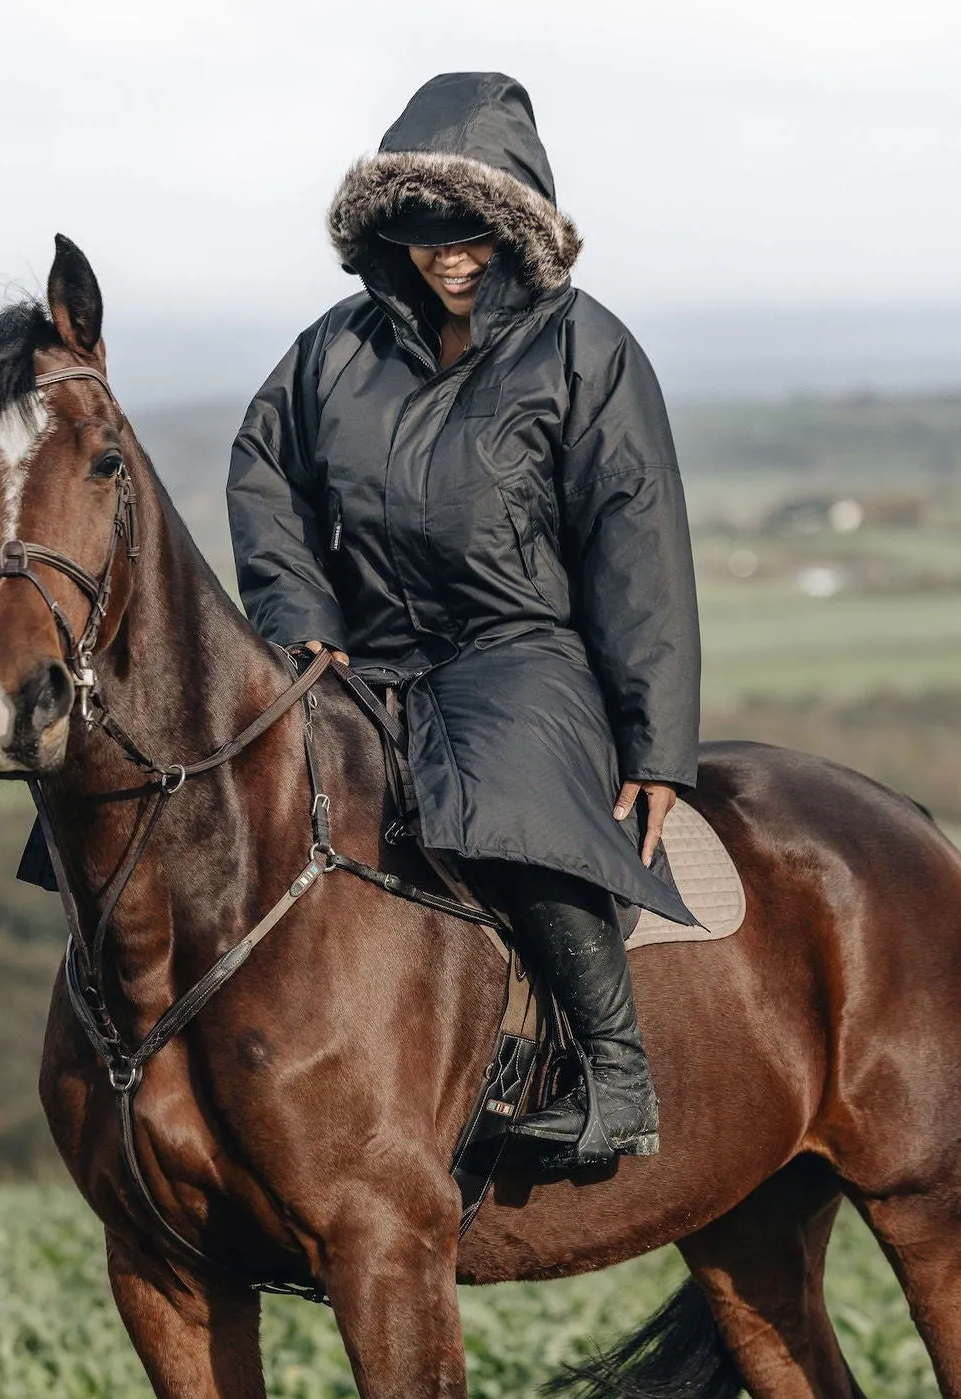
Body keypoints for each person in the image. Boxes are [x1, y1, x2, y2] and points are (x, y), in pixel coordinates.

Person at [229, 71, 701, 1169]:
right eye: (420, 233)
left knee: (514, 798)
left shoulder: (589, 350)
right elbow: (265, 480)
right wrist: (301, 620)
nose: (446, 257)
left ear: (514, 227)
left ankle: (617, 1077)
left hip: (516, 647)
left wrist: (655, 746)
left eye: (469, 233)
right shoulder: (329, 352)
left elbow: (639, 551)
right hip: (356, 652)